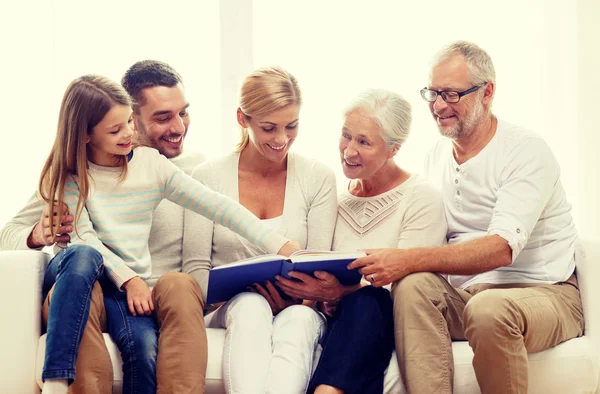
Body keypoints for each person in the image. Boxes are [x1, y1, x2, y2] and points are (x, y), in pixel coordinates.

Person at [10, 74, 299, 394]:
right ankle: (64, 382)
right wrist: (37, 234)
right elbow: (79, 238)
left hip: (137, 297)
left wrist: (282, 245)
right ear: (87, 135)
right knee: (84, 263)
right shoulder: (67, 174)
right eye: (116, 129)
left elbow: (219, 206)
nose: (129, 134)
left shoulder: (154, 165)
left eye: (129, 123)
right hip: (91, 288)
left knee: (171, 299)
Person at [347, 41, 584, 394]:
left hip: (545, 293)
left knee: (488, 308)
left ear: (487, 92)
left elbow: (502, 248)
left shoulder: (525, 150)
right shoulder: (436, 155)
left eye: (452, 94)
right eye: (433, 93)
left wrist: (406, 260)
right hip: (471, 296)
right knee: (412, 286)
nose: (439, 106)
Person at [0, 60, 212, 394]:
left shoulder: (195, 170)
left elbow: (215, 237)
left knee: (180, 286)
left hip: (156, 298)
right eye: (162, 117)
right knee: (86, 284)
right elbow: (7, 234)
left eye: (183, 113)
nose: (178, 127)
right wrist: (37, 234)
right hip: (99, 290)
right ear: (132, 117)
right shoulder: (78, 172)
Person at [275, 88, 447, 394]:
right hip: (337, 325)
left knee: (370, 300)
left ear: (394, 149)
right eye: (346, 136)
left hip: (384, 320)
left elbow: (406, 291)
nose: (349, 150)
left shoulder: (421, 197)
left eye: (364, 142)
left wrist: (341, 291)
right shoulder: (334, 199)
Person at [182, 66, 338, 394]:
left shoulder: (317, 177)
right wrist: (243, 293)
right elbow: (195, 271)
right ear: (243, 119)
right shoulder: (207, 177)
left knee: (296, 322)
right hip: (229, 308)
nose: (282, 139)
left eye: (291, 126)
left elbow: (320, 263)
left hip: (301, 307)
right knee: (252, 307)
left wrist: (299, 301)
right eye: (269, 128)